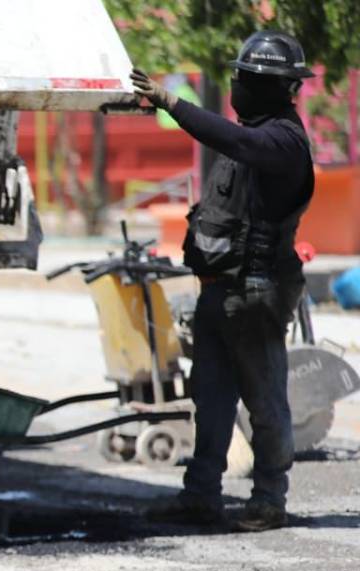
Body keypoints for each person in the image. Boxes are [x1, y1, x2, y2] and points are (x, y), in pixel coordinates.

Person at [132, 31, 316, 532]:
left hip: (255, 294)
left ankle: (269, 498)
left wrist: (173, 102)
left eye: (243, 78)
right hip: (220, 289)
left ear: (270, 87)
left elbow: (236, 140)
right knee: (210, 399)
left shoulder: (279, 140)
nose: (235, 86)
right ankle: (201, 495)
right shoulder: (252, 132)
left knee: (264, 400)